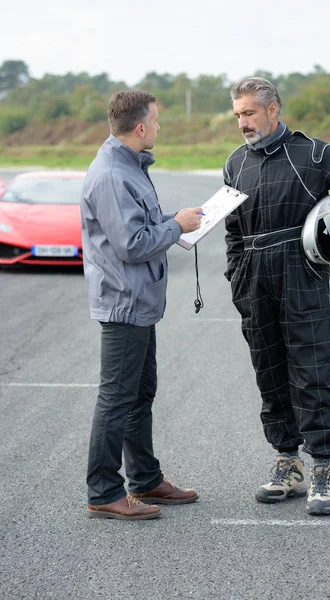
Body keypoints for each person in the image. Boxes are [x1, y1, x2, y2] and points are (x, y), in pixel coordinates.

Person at [223, 77, 330, 516]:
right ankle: (287, 463)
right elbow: (231, 231)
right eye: (238, 114)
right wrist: (237, 276)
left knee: (311, 368)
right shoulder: (234, 163)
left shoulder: (312, 154)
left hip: (302, 271)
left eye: (250, 113)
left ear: (274, 110)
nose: (243, 122)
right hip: (254, 276)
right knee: (269, 371)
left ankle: (321, 469)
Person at [81, 89, 203, 520]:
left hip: (138, 300)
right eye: (156, 120)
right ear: (140, 127)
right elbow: (132, 245)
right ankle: (104, 491)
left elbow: (140, 227)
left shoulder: (129, 166)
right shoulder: (113, 175)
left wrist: (175, 226)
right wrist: (176, 225)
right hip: (124, 302)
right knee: (117, 398)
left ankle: (146, 479)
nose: (158, 127)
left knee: (139, 392)